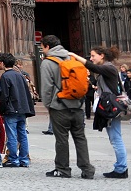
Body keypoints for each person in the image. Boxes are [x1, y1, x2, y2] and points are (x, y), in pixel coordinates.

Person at [39, 34, 95, 179]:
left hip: (59, 106)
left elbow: (46, 88)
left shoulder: (48, 62)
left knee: (62, 139)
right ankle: (87, 169)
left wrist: (48, 105)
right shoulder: (73, 58)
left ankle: (63, 169)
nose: (42, 50)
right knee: (80, 137)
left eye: (42, 47)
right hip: (78, 105)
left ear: (47, 46)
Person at [69, 46, 127, 178]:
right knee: (115, 138)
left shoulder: (109, 67)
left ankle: (121, 168)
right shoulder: (106, 69)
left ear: (102, 56)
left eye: (93, 55)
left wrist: (75, 55)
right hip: (108, 106)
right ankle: (121, 167)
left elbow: (93, 67)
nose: (91, 58)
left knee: (116, 138)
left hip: (112, 107)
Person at [0, 52, 34, 167]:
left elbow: (4, 96)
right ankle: (24, 160)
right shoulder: (20, 75)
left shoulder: (5, 76)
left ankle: (13, 159)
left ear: (2, 63)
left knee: (12, 135)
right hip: (22, 109)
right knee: (22, 134)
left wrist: (2, 109)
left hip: (11, 110)